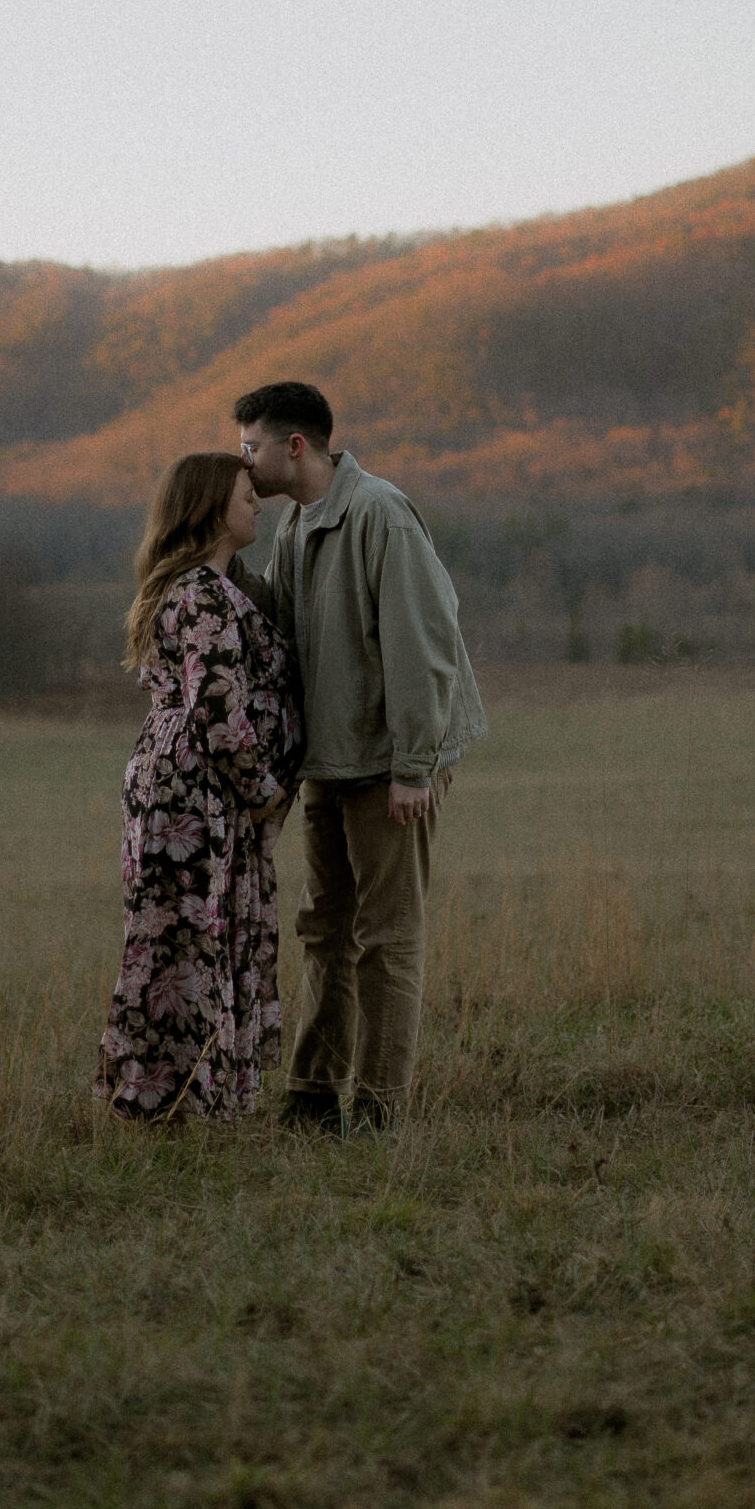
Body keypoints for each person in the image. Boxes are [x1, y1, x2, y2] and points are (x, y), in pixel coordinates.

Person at [229, 381, 485, 1134]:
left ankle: (378, 1109)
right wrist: (217, 560)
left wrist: (413, 766)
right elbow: (284, 623)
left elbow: (423, 644)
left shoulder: (377, 512)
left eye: (250, 448)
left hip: (387, 764)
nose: (242, 463)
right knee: (325, 931)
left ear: (293, 447)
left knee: (387, 938)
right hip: (330, 763)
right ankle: (311, 1096)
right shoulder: (298, 523)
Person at [95, 451, 304, 1124]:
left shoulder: (195, 586)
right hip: (199, 788)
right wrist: (266, 789)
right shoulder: (203, 594)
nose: (258, 505)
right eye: (248, 495)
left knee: (186, 937)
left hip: (183, 781)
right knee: (188, 938)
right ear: (213, 507)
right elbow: (217, 710)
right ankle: (177, 1104)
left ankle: (188, 1099)